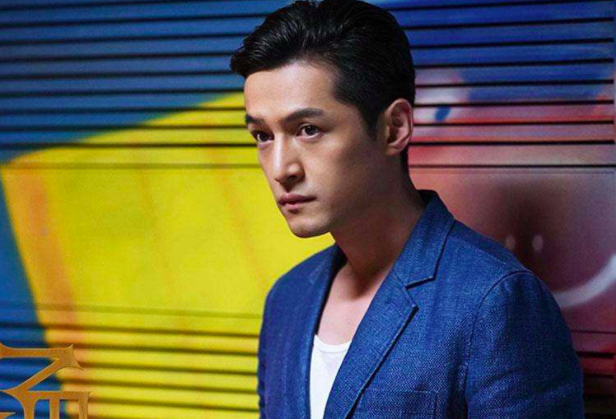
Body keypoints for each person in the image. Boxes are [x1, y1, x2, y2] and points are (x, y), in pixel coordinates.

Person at [229, 0, 585, 417]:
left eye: (308, 130)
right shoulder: (288, 299)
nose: (280, 169)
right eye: (263, 136)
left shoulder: (494, 300)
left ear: (394, 128)